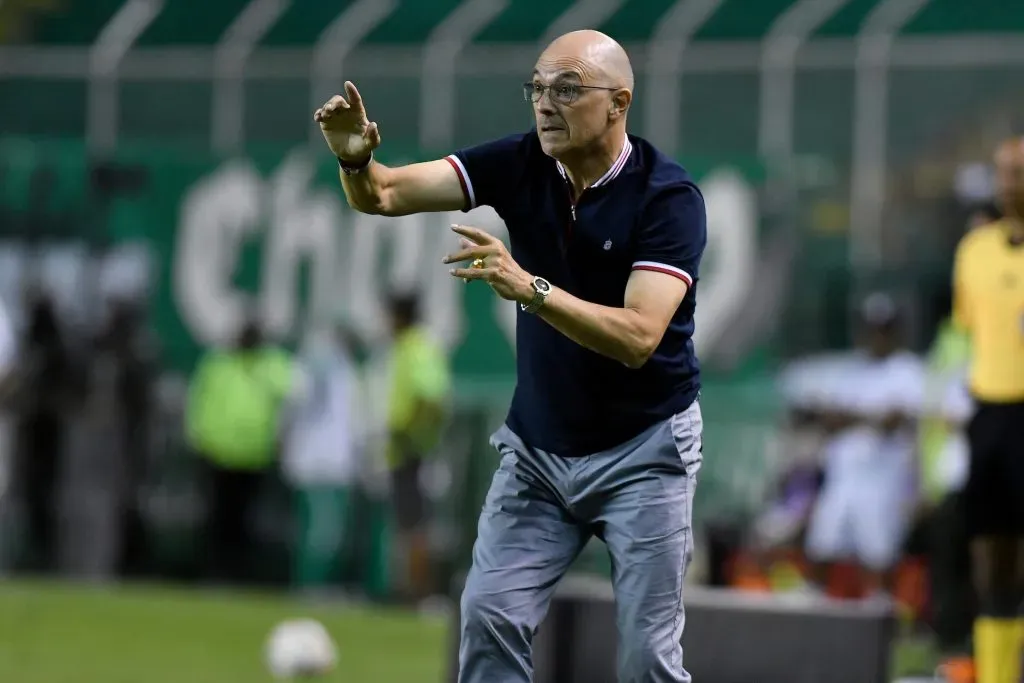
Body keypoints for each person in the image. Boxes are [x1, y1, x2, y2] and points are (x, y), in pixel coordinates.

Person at [315, 29, 706, 683]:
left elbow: (641, 337)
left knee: (647, 660)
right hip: (540, 452)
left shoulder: (668, 196)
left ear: (619, 102)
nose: (546, 104)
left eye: (568, 88)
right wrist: (355, 161)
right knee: (487, 614)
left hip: (645, 452)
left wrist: (532, 288)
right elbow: (383, 195)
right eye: (538, 88)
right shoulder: (520, 162)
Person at [952, 137, 1024, 683]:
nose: (1010, 184)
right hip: (990, 416)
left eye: (1018, 173)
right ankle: (997, 673)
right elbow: (972, 328)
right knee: (990, 554)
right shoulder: (975, 250)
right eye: (1004, 173)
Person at [802, 293, 925, 601]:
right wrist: (865, 418)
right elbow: (828, 418)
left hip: (882, 478)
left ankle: (881, 622)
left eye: (883, 328)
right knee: (822, 545)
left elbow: (893, 422)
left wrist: (852, 418)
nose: (876, 336)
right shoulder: (850, 370)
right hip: (845, 473)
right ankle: (815, 610)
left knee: (879, 555)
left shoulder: (907, 370)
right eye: (871, 328)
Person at [185, 316, 293, 585]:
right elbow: (199, 402)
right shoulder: (218, 363)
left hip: (253, 455)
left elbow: (291, 393)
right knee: (216, 518)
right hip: (217, 452)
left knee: (245, 521)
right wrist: (198, 438)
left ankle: (238, 575)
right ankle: (214, 572)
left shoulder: (271, 364)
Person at [281, 317, 366, 593]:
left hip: (334, 462)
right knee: (321, 531)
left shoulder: (345, 368)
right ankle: (310, 586)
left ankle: (317, 585)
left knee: (327, 531)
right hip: (319, 461)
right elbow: (296, 402)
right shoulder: (317, 363)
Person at [382, 292, 451, 605]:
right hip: (407, 449)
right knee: (409, 524)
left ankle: (418, 593)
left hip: (413, 450)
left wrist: (413, 432)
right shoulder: (409, 346)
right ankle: (409, 590)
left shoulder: (417, 346)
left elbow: (432, 395)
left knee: (416, 525)